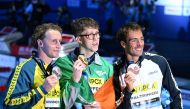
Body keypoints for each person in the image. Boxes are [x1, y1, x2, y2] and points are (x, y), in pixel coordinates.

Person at [113, 22, 183, 109]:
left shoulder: (159, 62)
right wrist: (128, 91)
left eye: (141, 39)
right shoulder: (115, 71)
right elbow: (117, 106)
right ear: (123, 44)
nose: (140, 44)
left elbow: (175, 95)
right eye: (134, 40)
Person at [56, 17, 113, 109]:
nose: (95, 39)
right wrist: (75, 79)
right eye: (90, 35)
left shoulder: (107, 67)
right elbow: (64, 104)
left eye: (97, 34)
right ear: (78, 39)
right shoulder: (62, 64)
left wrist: (102, 105)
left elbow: (113, 99)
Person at [3, 23, 62, 109]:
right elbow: (8, 105)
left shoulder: (56, 69)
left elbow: (54, 103)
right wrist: (42, 90)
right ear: (40, 43)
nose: (59, 46)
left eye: (60, 41)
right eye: (54, 41)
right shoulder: (26, 68)